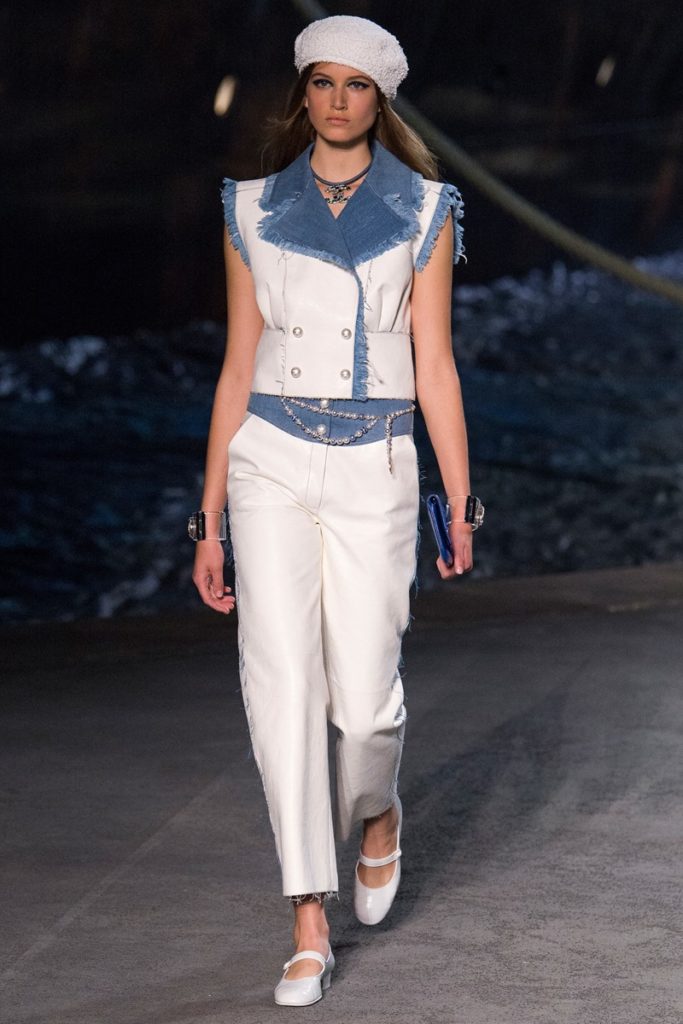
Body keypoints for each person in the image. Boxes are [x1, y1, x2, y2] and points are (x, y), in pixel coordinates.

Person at [190, 14, 480, 1007]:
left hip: (375, 466)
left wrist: (460, 499)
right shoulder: (249, 207)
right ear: (302, 94)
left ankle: (377, 813)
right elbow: (236, 367)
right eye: (322, 82)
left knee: (362, 705)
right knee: (279, 682)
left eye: (355, 85)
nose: (337, 100)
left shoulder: (426, 209)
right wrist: (208, 518)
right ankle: (306, 920)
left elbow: (434, 366)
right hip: (268, 460)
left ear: (378, 99)